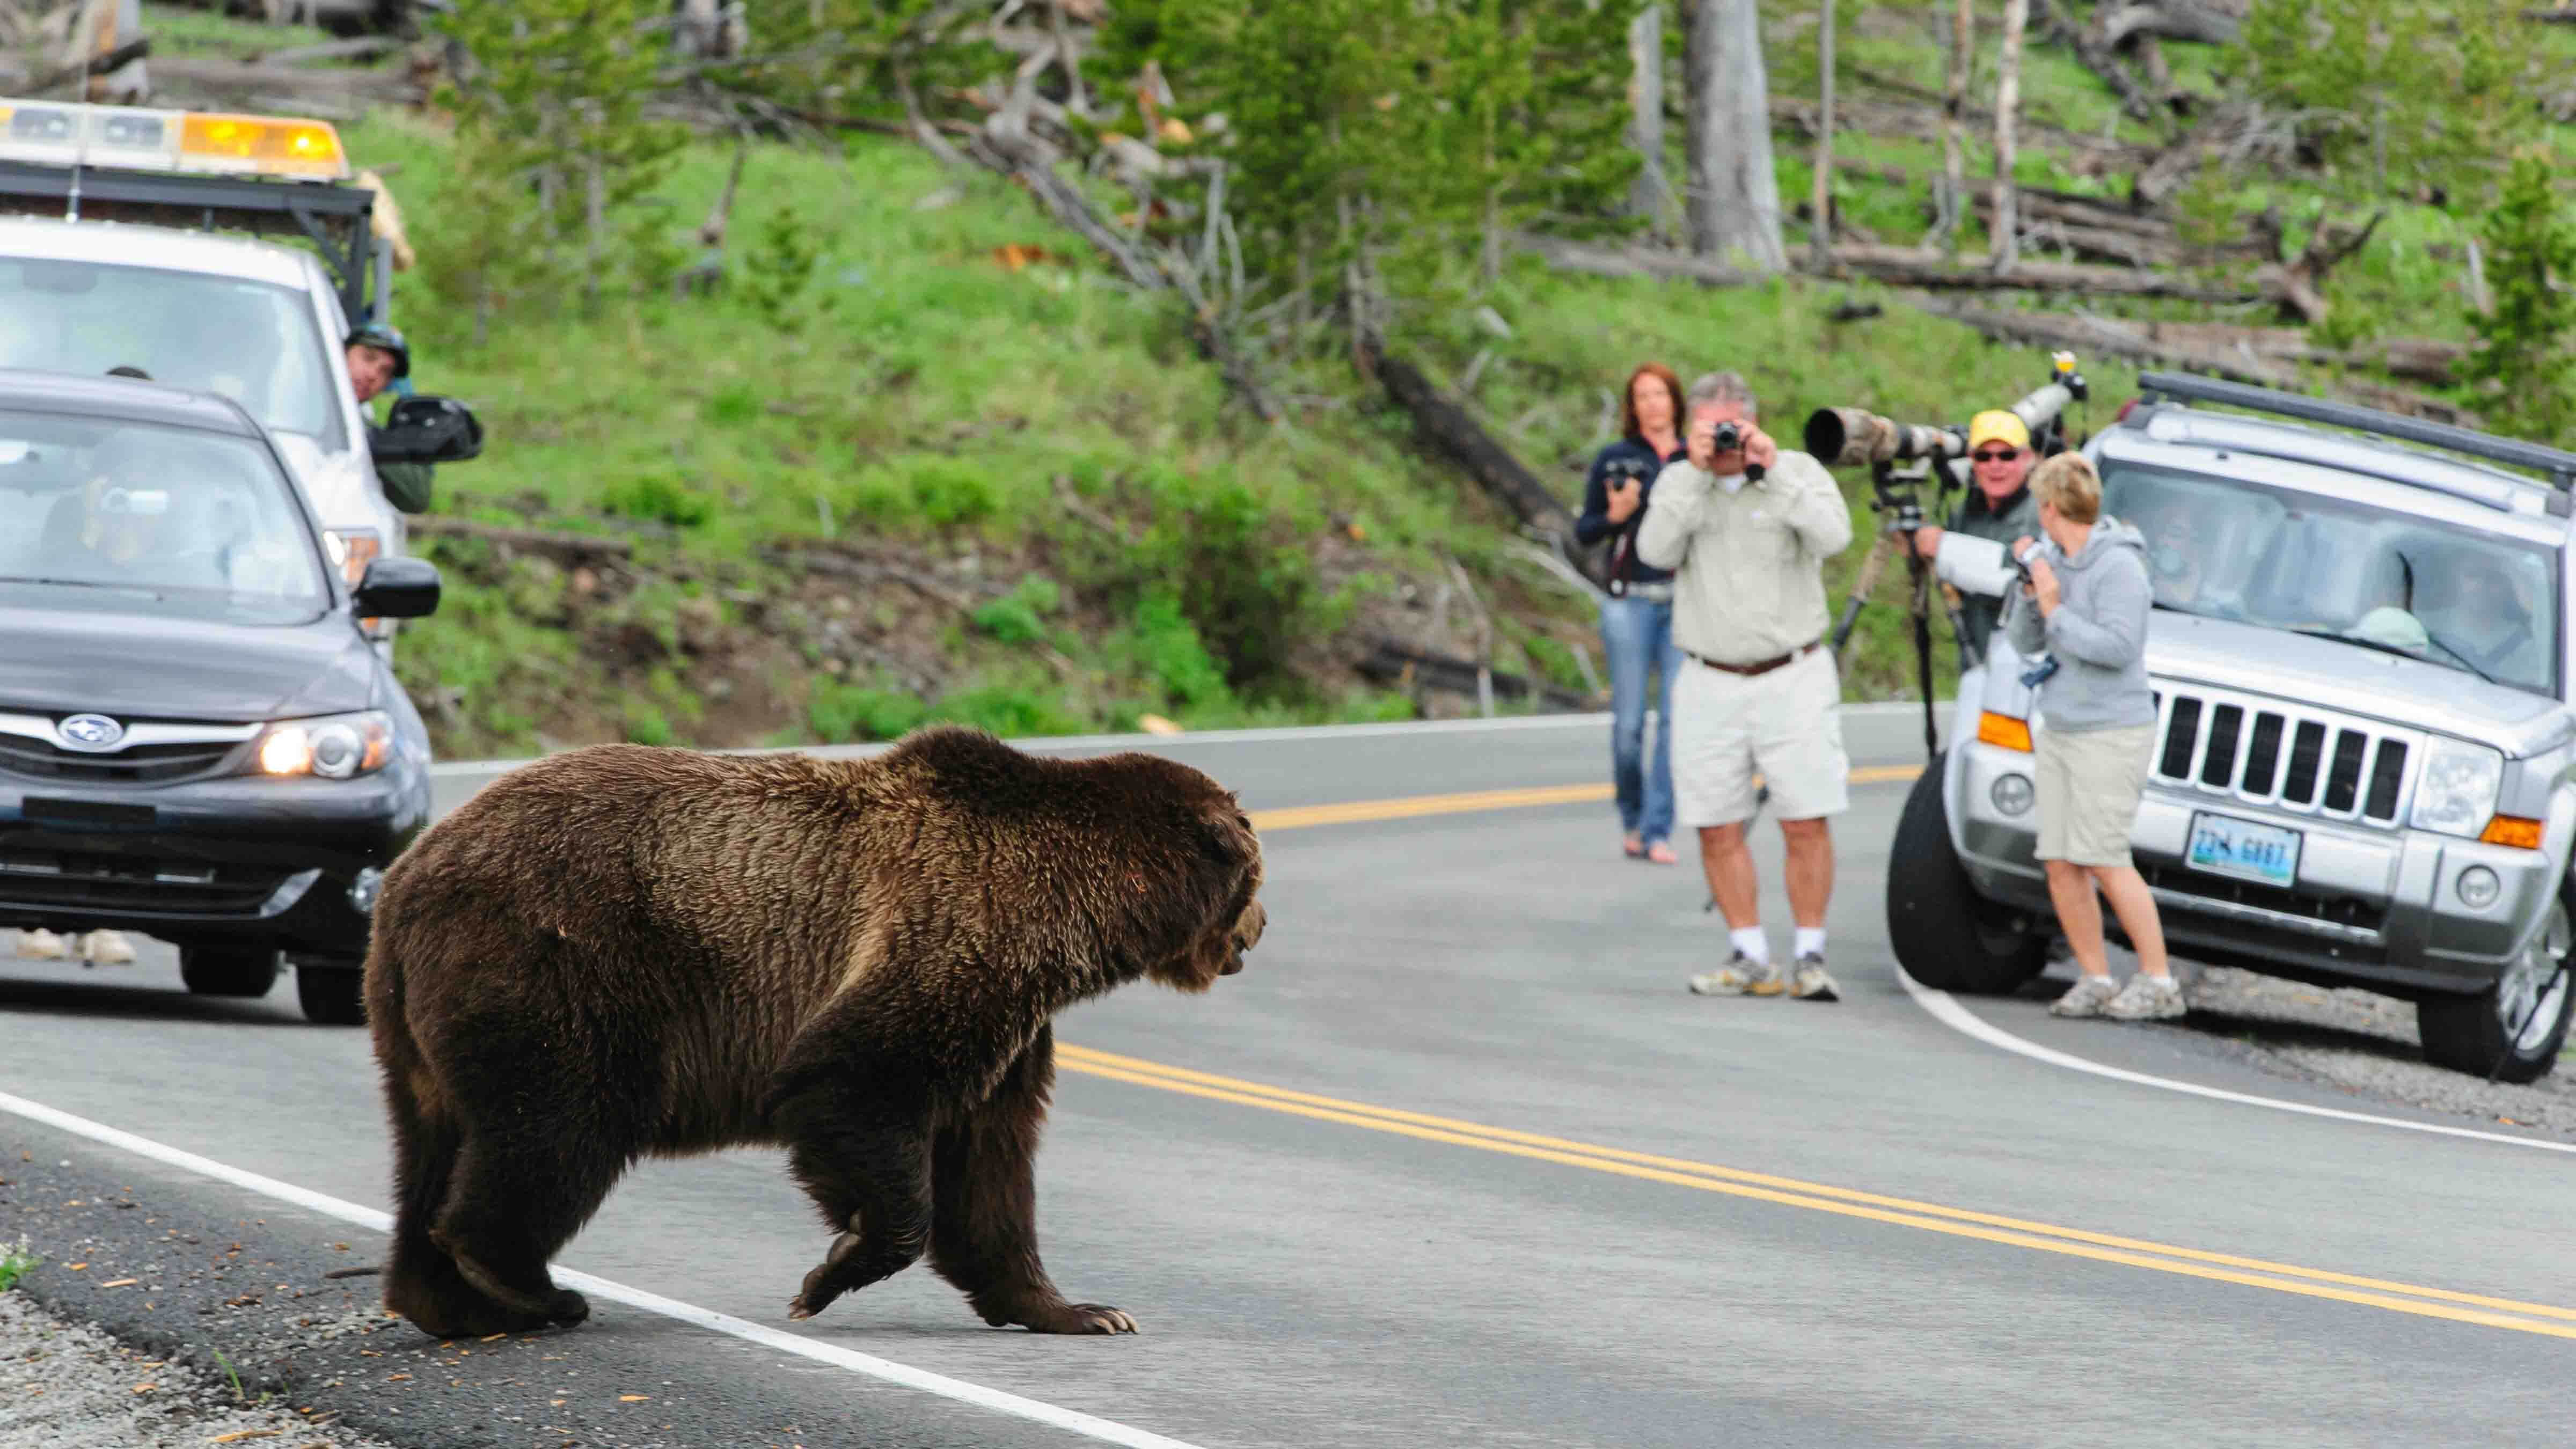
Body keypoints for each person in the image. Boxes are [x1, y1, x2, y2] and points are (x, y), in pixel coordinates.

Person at [1635, 371, 1855, 1002]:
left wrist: (1771, 469)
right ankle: (1749, 952)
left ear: (1754, 422)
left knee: (1805, 817)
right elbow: (1652, 550)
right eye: (1710, 427)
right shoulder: (1681, 483)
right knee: (1715, 822)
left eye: (1732, 425)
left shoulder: (1798, 472)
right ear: (1692, 429)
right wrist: (1693, 473)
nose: (1723, 438)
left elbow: (1834, 538)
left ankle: (1809, 953)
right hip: (1709, 676)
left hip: (1793, 673)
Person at [2003, 454, 2182, 1021]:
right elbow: (2024, 642)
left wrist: (2056, 610)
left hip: (2113, 730)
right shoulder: (2054, 562)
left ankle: (2159, 981)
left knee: (2104, 855)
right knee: (2059, 858)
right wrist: (2035, 594)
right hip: (2061, 725)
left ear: (2051, 507)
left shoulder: (2119, 566)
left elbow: (2119, 647)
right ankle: (2096, 975)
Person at [1574, 363, 1691, 865]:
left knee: (1674, 721)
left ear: (1675, 401)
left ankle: (1657, 829)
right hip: (1630, 599)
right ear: (1632, 406)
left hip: (1684, 602)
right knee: (1628, 725)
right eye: (1642, 396)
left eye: (1660, 394)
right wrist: (1617, 514)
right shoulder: (1616, 459)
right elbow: (1584, 532)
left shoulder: (1694, 458)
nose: (1652, 404)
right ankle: (1631, 815)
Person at [1909, 409, 2042, 664]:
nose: (1995, 466)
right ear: (1971, 461)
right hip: (1974, 658)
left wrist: (1945, 547)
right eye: (1984, 456)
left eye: (2006, 455)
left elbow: (2019, 577)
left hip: (2023, 661)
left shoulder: (2041, 512)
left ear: (2026, 458)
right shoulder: (1966, 513)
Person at [346, 324, 433, 515]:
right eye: (368, 358)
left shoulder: (363, 427)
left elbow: (416, 497)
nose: (373, 375)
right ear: (342, 352)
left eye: (385, 371)